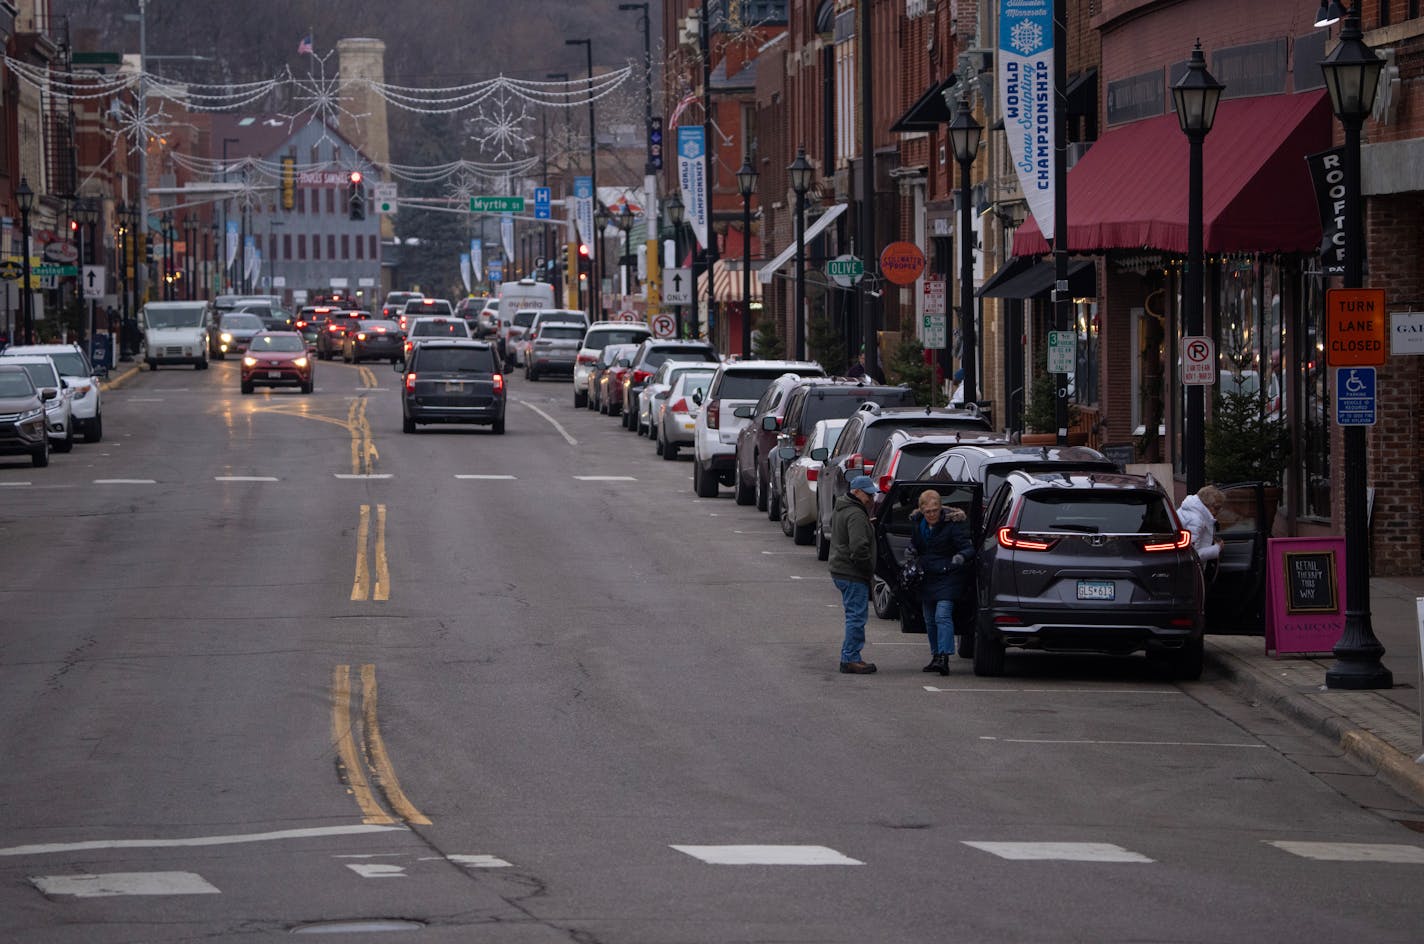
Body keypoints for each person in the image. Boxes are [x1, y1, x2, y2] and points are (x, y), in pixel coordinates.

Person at [910, 489, 975, 675]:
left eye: (935, 510)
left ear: (940, 508)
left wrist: (960, 557)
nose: (932, 514)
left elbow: (968, 548)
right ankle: (936, 655)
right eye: (928, 511)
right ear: (921, 510)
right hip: (927, 576)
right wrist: (911, 551)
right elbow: (915, 545)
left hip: (948, 576)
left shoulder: (952, 525)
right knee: (929, 620)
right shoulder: (918, 525)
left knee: (942, 615)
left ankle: (944, 657)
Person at [829, 474, 880, 674]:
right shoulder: (856, 514)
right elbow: (859, 547)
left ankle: (849, 656)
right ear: (857, 492)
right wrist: (868, 569)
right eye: (868, 495)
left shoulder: (844, 508)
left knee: (854, 615)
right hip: (852, 572)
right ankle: (850, 658)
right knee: (856, 617)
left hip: (841, 569)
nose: (871, 499)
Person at [1177, 485, 1225, 563]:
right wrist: (1217, 548)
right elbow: (1193, 555)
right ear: (1208, 505)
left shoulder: (1191, 511)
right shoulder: (1196, 521)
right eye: (1217, 508)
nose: (1218, 512)